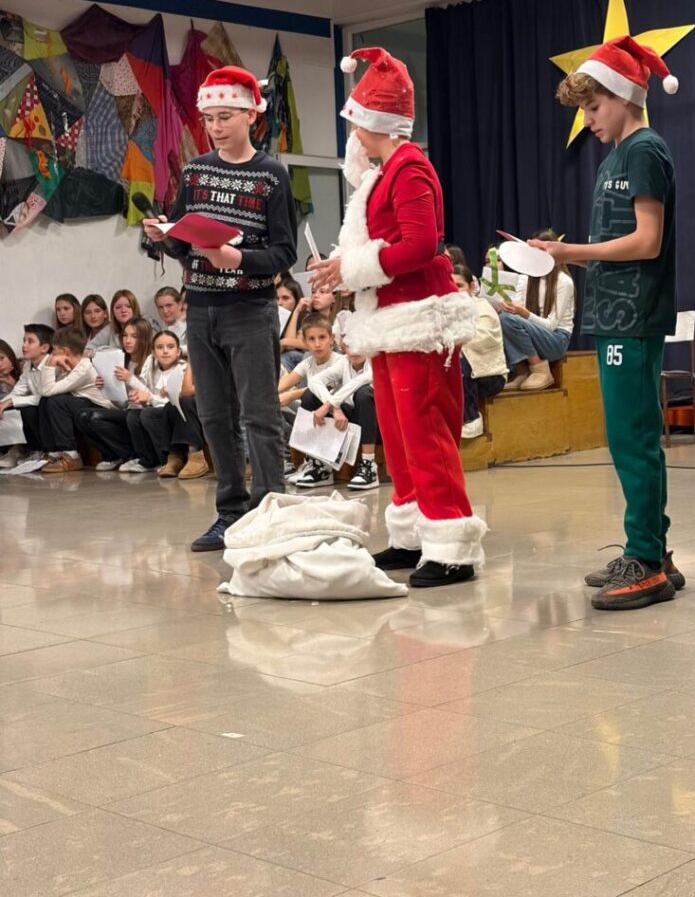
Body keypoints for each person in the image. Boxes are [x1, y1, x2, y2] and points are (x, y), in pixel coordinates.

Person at [312, 47, 485, 588]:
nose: (353, 135)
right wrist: (342, 272)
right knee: (398, 432)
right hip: (391, 320)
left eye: (356, 123)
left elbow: (422, 244)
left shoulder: (410, 167)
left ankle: (452, 546)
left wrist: (352, 267)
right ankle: (413, 535)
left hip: (419, 320)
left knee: (425, 431)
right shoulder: (386, 173)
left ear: (373, 122)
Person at [532, 34, 685, 611]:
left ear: (624, 96)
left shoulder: (645, 150)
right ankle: (652, 550)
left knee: (633, 437)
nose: (589, 119)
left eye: (594, 107)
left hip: (635, 314)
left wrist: (570, 253)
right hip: (614, 313)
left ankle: (646, 562)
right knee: (627, 436)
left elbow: (648, 242)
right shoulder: (615, 155)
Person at [142, 65, 297, 551]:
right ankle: (229, 513)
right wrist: (164, 236)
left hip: (249, 308)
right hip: (201, 306)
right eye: (209, 119)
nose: (215, 127)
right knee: (213, 415)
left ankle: (270, 511)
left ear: (251, 115)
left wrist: (238, 258)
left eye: (225, 117)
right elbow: (185, 243)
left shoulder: (271, 175)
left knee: (260, 415)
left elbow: (285, 253)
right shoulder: (195, 171)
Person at [295, 335, 378, 490]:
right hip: (348, 421)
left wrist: (329, 405)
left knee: (363, 393)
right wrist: (335, 409)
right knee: (309, 395)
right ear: (343, 346)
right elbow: (314, 381)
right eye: (350, 345)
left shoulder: (375, 362)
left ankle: (369, 465)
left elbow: (359, 381)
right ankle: (321, 466)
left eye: (360, 345)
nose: (355, 350)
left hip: (376, 424)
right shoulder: (344, 363)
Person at [499, 229, 575, 390]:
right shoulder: (526, 279)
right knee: (504, 318)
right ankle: (522, 371)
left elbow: (551, 326)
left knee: (508, 320)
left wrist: (524, 313)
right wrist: (510, 308)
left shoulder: (563, 282)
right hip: (534, 335)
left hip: (557, 339)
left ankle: (540, 370)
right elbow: (515, 318)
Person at [30, 326, 112, 473]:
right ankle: (53, 452)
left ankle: (71, 455)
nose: (52, 354)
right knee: (45, 402)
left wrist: (50, 363)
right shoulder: (66, 366)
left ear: (65, 351)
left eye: (55, 350)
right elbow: (43, 391)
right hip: (80, 403)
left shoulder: (83, 368)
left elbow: (47, 390)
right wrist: (54, 365)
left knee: (57, 402)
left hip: (99, 407)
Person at [76, 316, 154, 470]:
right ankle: (115, 455)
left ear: (144, 338)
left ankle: (135, 457)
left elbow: (151, 397)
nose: (128, 340)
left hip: (144, 412)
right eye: (125, 335)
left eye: (134, 336)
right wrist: (105, 388)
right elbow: (122, 403)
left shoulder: (151, 361)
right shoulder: (123, 361)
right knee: (83, 416)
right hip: (128, 410)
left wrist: (130, 378)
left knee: (102, 416)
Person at [451, 265, 507, 438]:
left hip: (489, 375)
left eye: (459, 286)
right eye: (451, 286)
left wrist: (451, 339)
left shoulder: (483, 307)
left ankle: (471, 418)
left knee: (456, 358)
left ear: (472, 286)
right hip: (462, 374)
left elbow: (482, 338)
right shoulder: (445, 309)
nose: (455, 290)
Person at [121, 330, 186, 474]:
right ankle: (148, 460)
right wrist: (140, 397)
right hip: (158, 409)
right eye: (160, 347)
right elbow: (150, 395)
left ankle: (169, 459)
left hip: (178, 413)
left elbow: (172, 402)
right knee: (133, 415)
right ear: (153, 353)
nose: (165, 351)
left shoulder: (182, 368)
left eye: (170, 347)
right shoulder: (153, 368)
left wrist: (149, 398)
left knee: (148, 414)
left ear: (178, 351)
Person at [0, 324, 54, 471]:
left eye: (30, 341)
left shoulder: (52, 364)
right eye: (24, 340)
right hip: (40, 403)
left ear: (44, 348)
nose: (24, 345)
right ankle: (31, 451)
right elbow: (18, 390)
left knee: (28, 408)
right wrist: (3, 403)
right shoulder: (28, 365)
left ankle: (43, 452)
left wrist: (10, 401)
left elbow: (44, 395)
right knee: (12, 404)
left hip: (52, 406)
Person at [0, 339, 24, 469]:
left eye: (1, 358)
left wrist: (11, 383)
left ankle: (17, 450)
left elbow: (29, 396)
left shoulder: (24, 370)